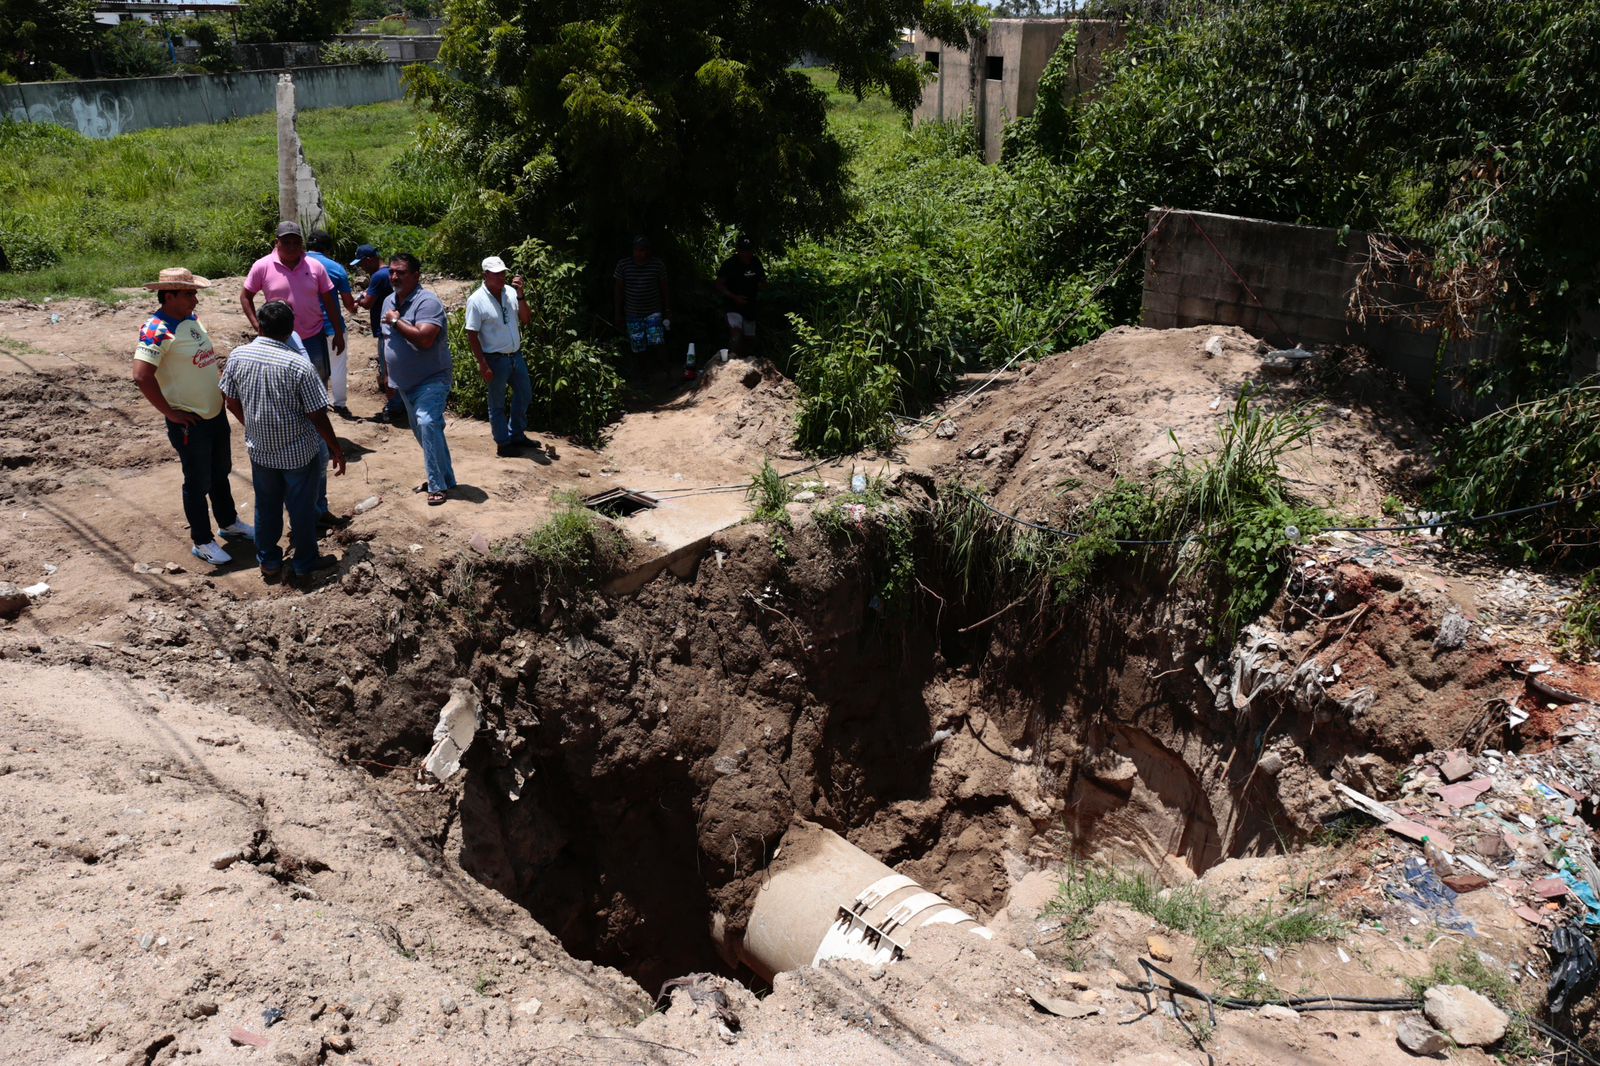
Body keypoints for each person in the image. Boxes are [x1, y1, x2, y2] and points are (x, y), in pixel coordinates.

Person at [132, 267, 254, 566]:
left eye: (195, 293)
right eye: (189, 294)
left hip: (213, 412)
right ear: (169, 295)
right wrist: (170, 413)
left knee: (220, 471)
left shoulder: (192, 320)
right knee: (197, 482)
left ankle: (229, 523)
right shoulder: (156, 329)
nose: (195, 299)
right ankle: (202, 540)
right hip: (190, 421)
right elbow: (141, 376)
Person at [219, 300, 346, 586]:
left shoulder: (238, 356)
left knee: (266, 505)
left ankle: (269, 562)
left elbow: (230, 399)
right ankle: (304, 562)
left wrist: (250, 425)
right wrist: (335, 448)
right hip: (299, 453)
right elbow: (317, 414)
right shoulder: (299, 365)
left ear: (260, 326)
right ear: (291, 330)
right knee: (301, 509)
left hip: (260, 450)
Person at [380, 253, 457, 505]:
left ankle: (436, 485)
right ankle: (447, 479)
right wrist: (386, 373)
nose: (394, 277)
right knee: (426, 431)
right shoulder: (388, 301)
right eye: (392, 271)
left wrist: (396, 321)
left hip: (432, 378)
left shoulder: (428, 302)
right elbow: (386, 341)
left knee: (427, 423)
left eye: (401, 272)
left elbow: (425, 340)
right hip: (404, 383)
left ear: (416, 275)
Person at [239, 221, 345, 390]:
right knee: (282, 385)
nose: (291, 246)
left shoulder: (315, 266)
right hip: (278, 339)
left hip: (313, 336)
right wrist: (256, 325)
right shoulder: (262, 266)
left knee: (317, 383)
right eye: (286, 242)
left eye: (296, 242)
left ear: (302, 244)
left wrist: (338, 333)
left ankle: (316, 415)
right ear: (277, 242)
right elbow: (245, 296)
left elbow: (330, 302)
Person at [465, 255, 536, 457]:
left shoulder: (512, 293)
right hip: (494, 359)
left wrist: (521, 294)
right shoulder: (476, 300)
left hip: (516, 355)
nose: (500, 277)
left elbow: (526, 319)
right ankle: (503, 444)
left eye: (502, 273)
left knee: (524, 394)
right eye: (495, 274)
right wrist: (482, 364)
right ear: (485, 275)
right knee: (497, 403)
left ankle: (517, 435)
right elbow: (472, 333)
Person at [306, 230, 359, 420]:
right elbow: (347, 303)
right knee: (337, 366)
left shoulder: (297, 264)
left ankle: (314, 403)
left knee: (309, 368)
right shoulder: (336, 268)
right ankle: (340, 404)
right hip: (331, 326)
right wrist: (355, 306)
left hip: (303, 328)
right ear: (328, 249)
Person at [350, 243, 404, 424]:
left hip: (385, 329)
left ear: (369, 260)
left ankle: (394, 408)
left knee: (387, 370)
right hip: (396, 327)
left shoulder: (378, 276)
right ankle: (402, 403)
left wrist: (358, 301)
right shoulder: (389, 273)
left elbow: (368, 303)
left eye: (362, 263)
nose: (361, 268)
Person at [613, 235, 671, 368]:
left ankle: (667, 373)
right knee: (638, 346)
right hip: (633, 313)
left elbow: (664, 288)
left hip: (653, 311)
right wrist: (618, 313)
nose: (640, 253)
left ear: (648, 251)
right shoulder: (623, 265)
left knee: (658, 342)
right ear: (633, 250)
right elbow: (618, 290)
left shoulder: (657, 265)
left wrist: (667, 310)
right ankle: (643, 377)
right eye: (638, 250)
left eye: (643, 250)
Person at [714, 235, 768, 358]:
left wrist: (762, 285)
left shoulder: (756, 262)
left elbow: (763, 282)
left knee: (749, 339)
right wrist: (734, 297)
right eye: (743, 250)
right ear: (738, 250)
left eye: (749, 250)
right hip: (732, 305)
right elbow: (718, 284)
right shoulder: (729, 264)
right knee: (736, 335)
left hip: (750, 306)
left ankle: (744, 363)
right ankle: (731, 361)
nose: (746, 254)